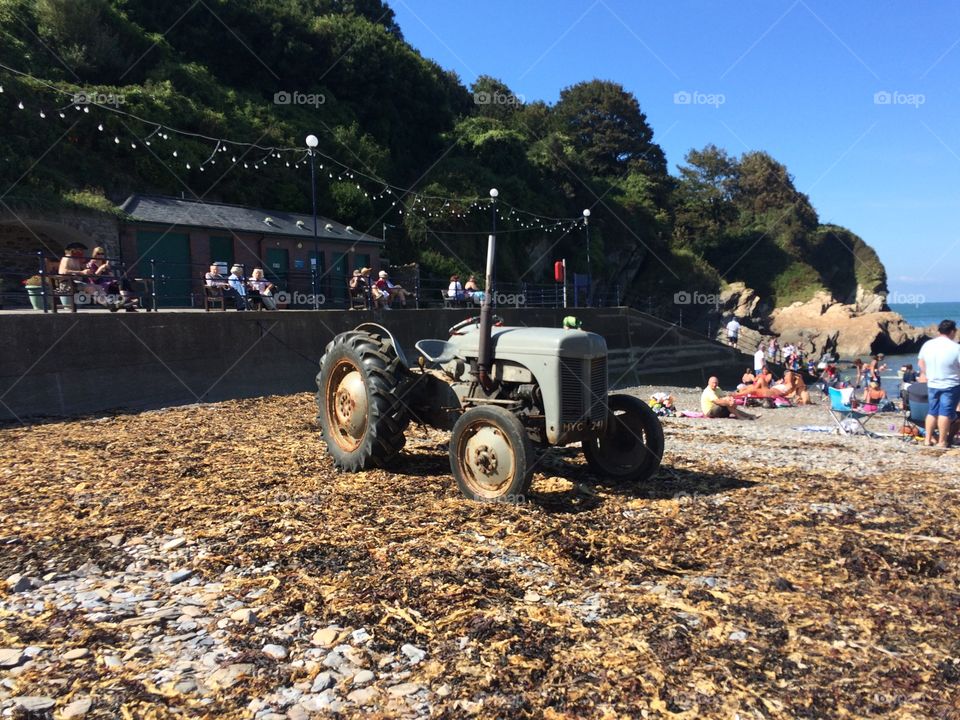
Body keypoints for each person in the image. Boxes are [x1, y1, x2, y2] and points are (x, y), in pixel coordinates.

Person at [917, 319, 960, 448]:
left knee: (932, 412)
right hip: (950, 384)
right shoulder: (956, 347)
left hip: (933, 383)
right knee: (945, 413)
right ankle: (942, 441)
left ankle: (927, 439)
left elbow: (920, 363)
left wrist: (927, 373)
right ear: (952, 331)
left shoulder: (928, 345)